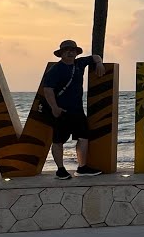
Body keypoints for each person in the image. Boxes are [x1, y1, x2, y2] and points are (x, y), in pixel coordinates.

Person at [41, 39, 107, 179]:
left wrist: (99, 63)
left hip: (77, 110)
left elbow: (95, 56)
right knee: (58, 140)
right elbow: (48, 90)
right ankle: (60, 170)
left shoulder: (80, 63)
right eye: (66, 51)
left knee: (83, 137)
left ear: (76, 53)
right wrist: (54, 107)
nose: (70, 53)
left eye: (73, 50)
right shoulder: (56, 70)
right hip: (61, 111)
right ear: (61, 54)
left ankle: (82, 168)